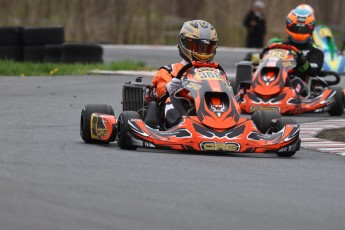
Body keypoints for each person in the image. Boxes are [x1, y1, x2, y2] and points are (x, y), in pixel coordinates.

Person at [148, 20, 218, 128]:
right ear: (183, 43)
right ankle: (181, 125)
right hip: (179, 111)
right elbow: (159, 93)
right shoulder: (169, 70)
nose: (202, 52)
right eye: (197, 46)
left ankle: (224, 124)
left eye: (207, 48)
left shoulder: (216, 72)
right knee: (171, 98)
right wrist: (169, 87)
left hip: (205, 109)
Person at [284, 7, 324, 96]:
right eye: (296, 28)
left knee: (296, 81)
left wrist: (302, 62)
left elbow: (315, 70)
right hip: (275, 79)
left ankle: (291, 97)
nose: (299, 31)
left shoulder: (315, 50)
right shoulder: (280, 46)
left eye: (303, 29)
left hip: (299, 83)